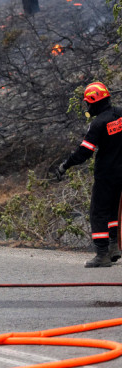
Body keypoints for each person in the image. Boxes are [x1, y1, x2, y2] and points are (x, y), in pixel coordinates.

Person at [54, 82, 122, 267]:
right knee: (114, 210)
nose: (88, 107)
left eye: (88, 103)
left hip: (106, 175)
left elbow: (84, 152)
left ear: (94, 102)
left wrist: (65, 165)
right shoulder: (120, 113)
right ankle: (114, 247)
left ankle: (102, 255)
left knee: (98, 212)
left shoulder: (98, 123)